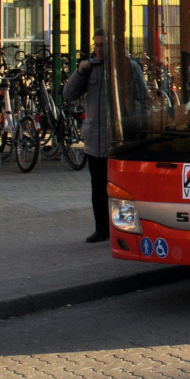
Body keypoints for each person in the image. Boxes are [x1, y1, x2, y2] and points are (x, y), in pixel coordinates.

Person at [64, 30, 111, 242]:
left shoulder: (127, 67)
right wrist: (80, 73)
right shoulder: (90, 68)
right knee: (98, 189)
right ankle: (101, 229)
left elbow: (142, 99)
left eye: (103, 45)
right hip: (95, 140)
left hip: (115, 140)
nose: (99, 48)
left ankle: (118, 228)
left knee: (116, 190)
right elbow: (68, 94)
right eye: (97, 44)